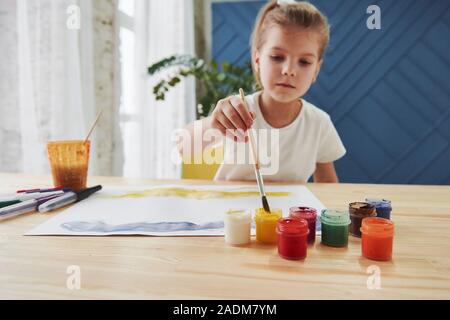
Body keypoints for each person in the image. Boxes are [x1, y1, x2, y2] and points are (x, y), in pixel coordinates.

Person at [181, 0, 346, 183]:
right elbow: (182, 147)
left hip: (286, 212)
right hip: (229, 209)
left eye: (304, 62)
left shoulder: (319, 123)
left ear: (316, 69)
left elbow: (328, 184)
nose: (289, 70)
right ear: (258, 60)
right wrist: (214, 123)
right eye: (277, 57)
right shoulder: (238, 112)